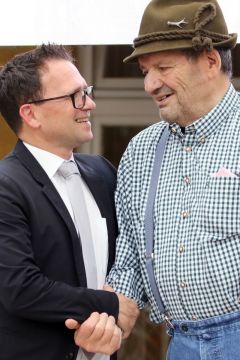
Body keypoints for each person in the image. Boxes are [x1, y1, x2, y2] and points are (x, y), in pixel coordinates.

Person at [106, 0, 240, 359]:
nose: (150, 84)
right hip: (179, 342)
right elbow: (131, 259)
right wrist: (110, 319)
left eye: (163, 67)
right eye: (145, 71)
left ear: (211, 61)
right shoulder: (141, 151)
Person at [0, 44, 138, 360]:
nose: (89, 103)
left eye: (86, 91)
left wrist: (125, 305)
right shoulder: (6, 186)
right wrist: (113, 306)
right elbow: (20, 288)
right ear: (30, 113)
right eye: (74, 96)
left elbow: (127, 256)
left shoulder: (102, 172)